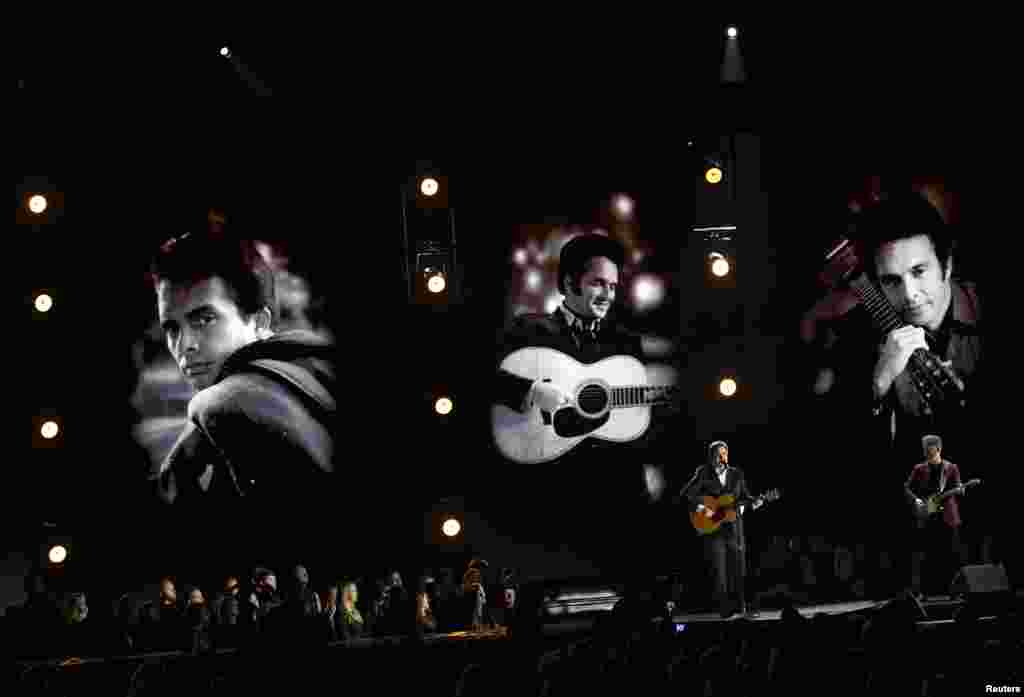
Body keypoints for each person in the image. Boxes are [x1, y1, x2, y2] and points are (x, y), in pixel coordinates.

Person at [492, 233, 676, 572]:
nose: (608, 294)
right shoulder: (529, 330)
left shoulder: (625, 342)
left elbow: (633, 425)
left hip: (611, 494)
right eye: (597, 283)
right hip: (548, 493)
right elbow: (478, 376)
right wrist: (532, 391)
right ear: (568, 283)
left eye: (613, 286)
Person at [145, 229, 338, 524]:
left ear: (259, 321)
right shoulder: (313, 366)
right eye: (172, 328)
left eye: (204, 319)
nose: (184, 345)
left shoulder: (219, 403)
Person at [680, 441, 762, 618]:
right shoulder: (704, 472)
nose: (722, 457)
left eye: (725, 453)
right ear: (711, 457)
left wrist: (753, 503)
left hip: (734, 527)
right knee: (720, 571)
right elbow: (687, 494)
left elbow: (745, 497)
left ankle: (741, 609)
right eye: (718, 454)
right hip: (714, 528)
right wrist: (703, 509)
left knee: (738, 568)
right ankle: (725, 610)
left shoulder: (736, 474)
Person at [904, 434, 968, 599]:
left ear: (938, 448)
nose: (925, 451)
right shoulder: (919, 468)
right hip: (928, 515)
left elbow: (959, 488)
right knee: (926, 554)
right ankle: (924, 591)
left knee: (952, 554)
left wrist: (961, 490)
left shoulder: (951, 468)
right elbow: (907, 488)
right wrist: (917, 500)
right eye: (924, 448)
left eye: (929, 448)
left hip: (948, 517)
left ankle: (955, 591)